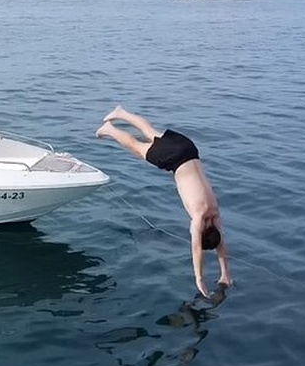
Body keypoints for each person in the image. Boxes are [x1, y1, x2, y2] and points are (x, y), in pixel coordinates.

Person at [95, 105, 232, 298]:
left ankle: (121, 113)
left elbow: (221, 244)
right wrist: (199, 279)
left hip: (189, 149)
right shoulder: (198, 218)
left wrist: (225, 273)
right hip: (174, 159)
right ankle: (109, 130)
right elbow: (196, 249)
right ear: (201, 233)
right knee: (137, 147)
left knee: (151, 133)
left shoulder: (215, 213)